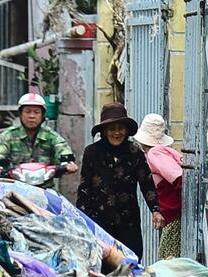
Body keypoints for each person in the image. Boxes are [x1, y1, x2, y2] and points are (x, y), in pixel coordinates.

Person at [75, 102, 156, 255]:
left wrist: (156, 210)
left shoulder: (135, 152)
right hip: (99, 221)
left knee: (130, 262)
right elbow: (84, 187)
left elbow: (147, 183)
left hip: (128, 221)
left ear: (126, 130)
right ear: (104, 131)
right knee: (101, 264)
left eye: (120, 128)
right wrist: (81, 218)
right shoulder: (92, 152)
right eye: (112, 128)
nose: (117, 133)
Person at [0, 92, 78, 179]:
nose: (32, 116)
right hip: (14, 186)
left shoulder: (51, 136)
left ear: (43, 115)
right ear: (20, 114)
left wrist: (68, 163)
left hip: (45, 188)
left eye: (36, 112)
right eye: (27, 111)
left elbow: (62, 148)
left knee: (58, 196)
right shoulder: (8, 136)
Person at [136, 112, 184, 259]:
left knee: (168, 259)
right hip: (173, 213)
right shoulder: (165, 151)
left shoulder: (155, 154)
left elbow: (177, 177)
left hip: (173, 214)